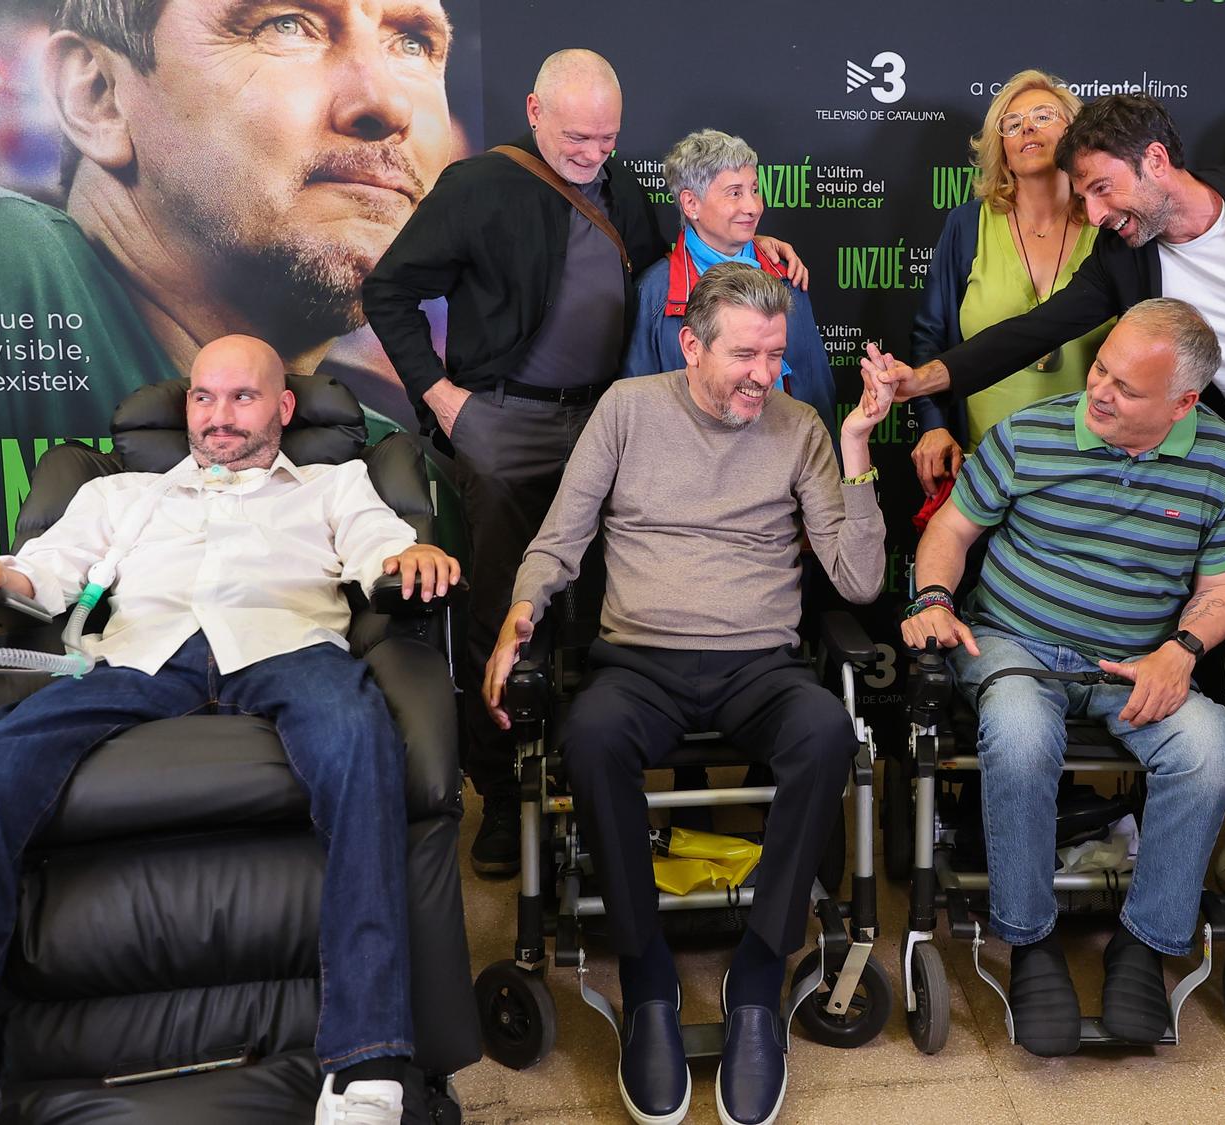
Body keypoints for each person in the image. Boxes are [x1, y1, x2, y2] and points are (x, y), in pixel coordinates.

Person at [0, 335, 462, 1125]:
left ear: (284, 408)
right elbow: (44, 570)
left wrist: (410, 555)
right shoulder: (122, 496)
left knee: (359, 739)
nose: (218, 417)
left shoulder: (333, 482)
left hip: (286, 645)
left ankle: (366, 1061)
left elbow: (378, 547)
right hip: (137, 659)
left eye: (242, 397)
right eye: (202, 397)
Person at [864, 92, 1225, 840]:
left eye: (1104, 189)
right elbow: (1035, 329)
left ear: (1158, 162)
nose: (1095, 213)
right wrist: (923, 379)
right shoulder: (1130, 257)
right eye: (1085, 196)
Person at [363, 51, 808, 877]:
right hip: (502, 419)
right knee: (503, 607)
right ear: (533, 111)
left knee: (610, 608)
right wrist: (440, 396)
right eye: (576, 137)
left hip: (611, 417)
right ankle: (501, 799)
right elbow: (387, 290)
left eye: (606, 139)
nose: (591, 153)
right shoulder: (475, 185)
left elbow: (686, 269)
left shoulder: (620, 190)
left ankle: (592, 786)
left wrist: (752, 242)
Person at [481, 265, 888, 1125]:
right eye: (745, 353)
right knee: (589, 739)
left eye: (776, 355)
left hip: (759, 664)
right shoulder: (628, 408)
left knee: (825, 733)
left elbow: (857, 581)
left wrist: (857, 455)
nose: (763, 374)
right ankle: (648, 978)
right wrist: (522, 609)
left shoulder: (803, 425)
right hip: (641, 662)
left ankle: (757, 974)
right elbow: (560, 537)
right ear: (690, 344)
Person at [902, 298, 1225, 1056]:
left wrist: (1184, 648)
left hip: (1137, 661)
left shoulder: (1223, 462)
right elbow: (952, 529)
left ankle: (1142, 944)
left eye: (1126, 388)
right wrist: (934, 597)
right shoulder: (1031, 433)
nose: (1099, 390)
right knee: (1023, 733)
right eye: (1101, 368)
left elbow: (1224, 586)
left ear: (1182, 402)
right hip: (1016, 645)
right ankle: (1031, 942)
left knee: (1209, 749)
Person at [0, 0, 458, 442]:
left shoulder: (392, 458)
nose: (387, 104)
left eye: (412, 43)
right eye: (286, 25)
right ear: (99, 96)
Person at [906, 69, 1110, 496]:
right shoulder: (966, 225)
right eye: (1012, 124)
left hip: (1094, 472)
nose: (1027, 128)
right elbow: (931, 337)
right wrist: (935, 426)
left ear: (1075, 131)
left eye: (1042, 115)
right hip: (983, 469)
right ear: (1001, 146)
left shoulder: (1108, 225)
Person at [622, 128, 836, 435]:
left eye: (754, 189)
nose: (753, 206)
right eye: (735, 193)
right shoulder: (656, 293)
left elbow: (817, 391)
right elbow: (637, 409)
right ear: (691, 204)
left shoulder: (787, 275)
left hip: (785, 458)